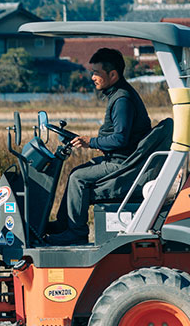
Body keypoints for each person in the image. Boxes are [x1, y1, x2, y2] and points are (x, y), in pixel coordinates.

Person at [46, 48, 151, 246]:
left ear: (113, 75)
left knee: (78, 178)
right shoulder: (118, 95)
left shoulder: (122, 100)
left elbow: (120, 139)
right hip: (121, 158)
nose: (92, 77)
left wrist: (91, 142)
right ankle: (63, 225)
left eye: (97, 73)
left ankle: (76, 233)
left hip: (123, 163)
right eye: (92, 72)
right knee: (77, 172)